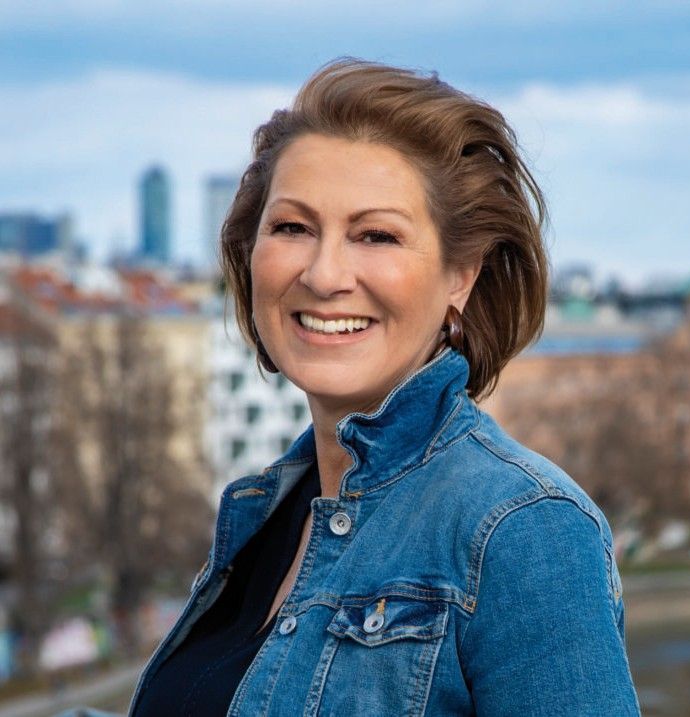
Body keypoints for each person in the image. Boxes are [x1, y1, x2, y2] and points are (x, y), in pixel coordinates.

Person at [67, 57, 642, 716]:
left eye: (376, 235)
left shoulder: (523, 528)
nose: (324, 274)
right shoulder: (265, 517)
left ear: (461, 275)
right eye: (292, 228)